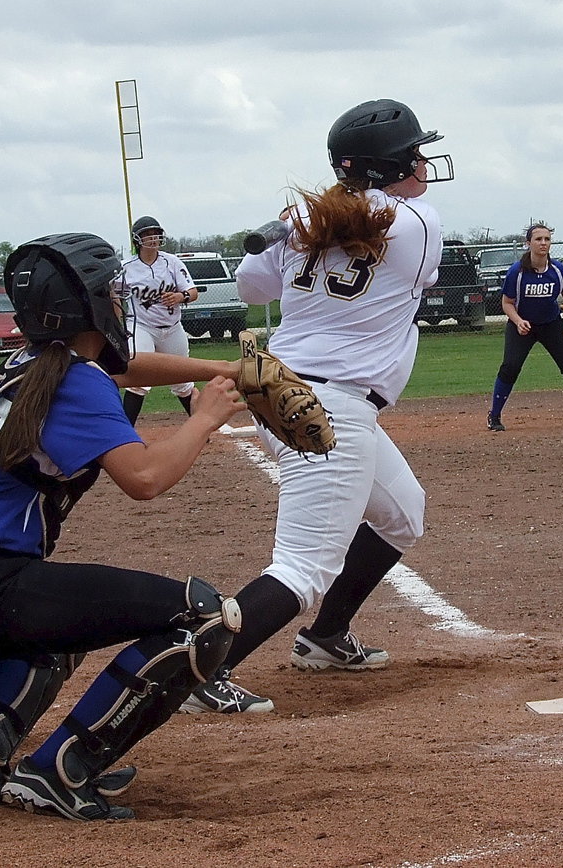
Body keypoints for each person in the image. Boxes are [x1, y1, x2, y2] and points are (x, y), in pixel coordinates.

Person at [0, 232, 252, 822]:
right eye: (109, 294)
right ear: (84, 307)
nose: (117, 303)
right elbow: (144, 479)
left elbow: (126, 365)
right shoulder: (75, 379)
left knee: (58, 614)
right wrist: (205, 418)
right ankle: (62, 769)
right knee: (206, 615)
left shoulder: (33, 362)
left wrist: (221, 367)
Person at [178, 98, 450, 716]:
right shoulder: (420, 222)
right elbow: (385, 236)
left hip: (285, 391)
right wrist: (319, 219)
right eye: (415, 153)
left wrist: (306, 221)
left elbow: (251, 286)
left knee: (403, 512)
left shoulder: (312, 222)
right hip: (328, 408)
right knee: (303, 565)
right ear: (392, 165)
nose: (424, 162)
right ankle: (200, 669)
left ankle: (324, 638)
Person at [486, 224, 563, 431]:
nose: (543, 243)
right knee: (510, 367)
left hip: (551, 324)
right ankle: (495, 416)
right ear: (528, 243)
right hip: (522, 326)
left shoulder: (557, 270)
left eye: (546, 239)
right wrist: (518, 321)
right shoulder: (517, 272)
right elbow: (507, 303)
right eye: (538, 239)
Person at [119, 216, 200, 422]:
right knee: (138, 379)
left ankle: (199, 425)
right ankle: (125, 431)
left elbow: (192, 291)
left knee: (182, 380)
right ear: (137, 239)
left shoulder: (171, 262)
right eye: (147, 234)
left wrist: (180, 297)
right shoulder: (126, 267)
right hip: (142, 327)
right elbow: (114, 295)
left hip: (172, 327)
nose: (152, 238)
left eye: (155, 233)